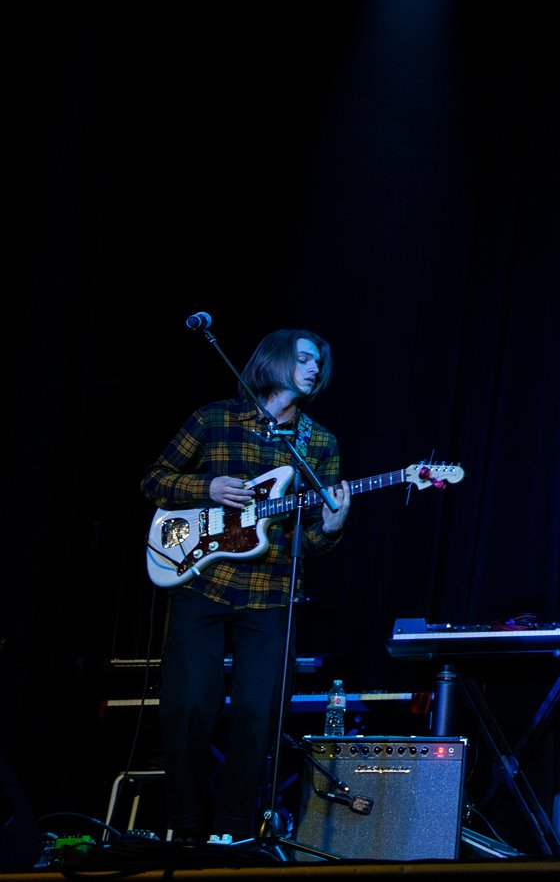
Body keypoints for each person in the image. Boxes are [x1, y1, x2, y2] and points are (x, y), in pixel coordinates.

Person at [141, 329, 351, 844]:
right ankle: (185, 828)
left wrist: (330, 527)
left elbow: (310, 541)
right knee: (189, 706)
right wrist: (207, 486)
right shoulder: (215, 419)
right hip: (203, 581)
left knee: (259, 716)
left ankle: (234, 832)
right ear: (276, 360)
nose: (315, 369)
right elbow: (154, 480)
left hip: (272, 591)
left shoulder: (319, 443)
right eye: (305, 358)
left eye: (319, 362)